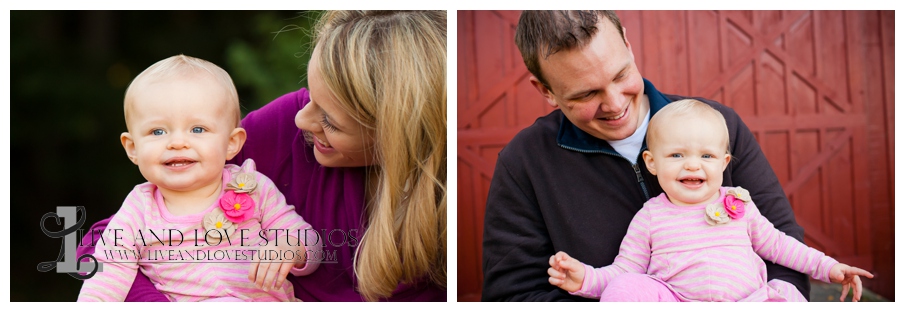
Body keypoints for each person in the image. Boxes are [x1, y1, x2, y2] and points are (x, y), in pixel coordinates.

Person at [77, 10, 447, 302]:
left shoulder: (253, 188)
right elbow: (97, 252)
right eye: (310, 94)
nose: (301, 119)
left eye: (330, 120)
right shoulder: (282, 130)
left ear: (394, 135)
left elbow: (298, 237)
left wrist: (290, 248)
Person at [482, 10, 810, 301]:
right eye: (586, 93)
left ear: (627, 43)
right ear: (546, 91)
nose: (615, 104)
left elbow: (783, 250)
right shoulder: (524, 163)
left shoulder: (718, 126)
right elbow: (514, 295)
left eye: (621, 75)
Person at [546, 99, 874, 302]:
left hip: (748, 301)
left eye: (706, 154)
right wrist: (585, 278)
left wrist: (830, 268)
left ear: (724, 163)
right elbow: (624, 270)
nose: (693, 164)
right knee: (627, 288)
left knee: (787, 294)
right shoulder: (650, 216)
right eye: (676, 154)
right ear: (652, 163)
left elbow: (779, 245)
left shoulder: (738, 204)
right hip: (676, 300)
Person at [77, 54, 319, 302]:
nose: (178, 142)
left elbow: (309, 240)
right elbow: (107, 273)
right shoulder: (139, 210)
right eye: (157, 131)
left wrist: (289, 248)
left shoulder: (252, 187)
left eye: (197, 129)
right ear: (133, 148)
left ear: (231, 143)